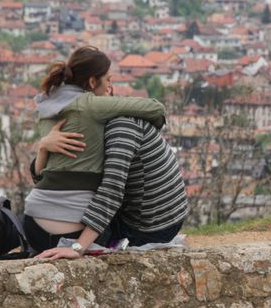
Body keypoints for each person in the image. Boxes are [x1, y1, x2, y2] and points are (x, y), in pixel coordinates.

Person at [23, 46, 167, 253]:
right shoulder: (91, 104)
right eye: (108, 80)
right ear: (92, 82)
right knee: (118, 219)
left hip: (32, 224)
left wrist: (43, 147)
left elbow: (39, 176)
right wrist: (77, 248)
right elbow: (156, 109)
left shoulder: (47, 105)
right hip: (72, 232)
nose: (110, 84)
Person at [32, 111, 189, 260]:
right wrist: (44, 147)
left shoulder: (121, 127)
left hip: (150, 228)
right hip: (136, 216)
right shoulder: (91, 126)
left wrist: (77, 248)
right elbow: (44, 184)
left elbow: (111, 191)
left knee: (53, 232)